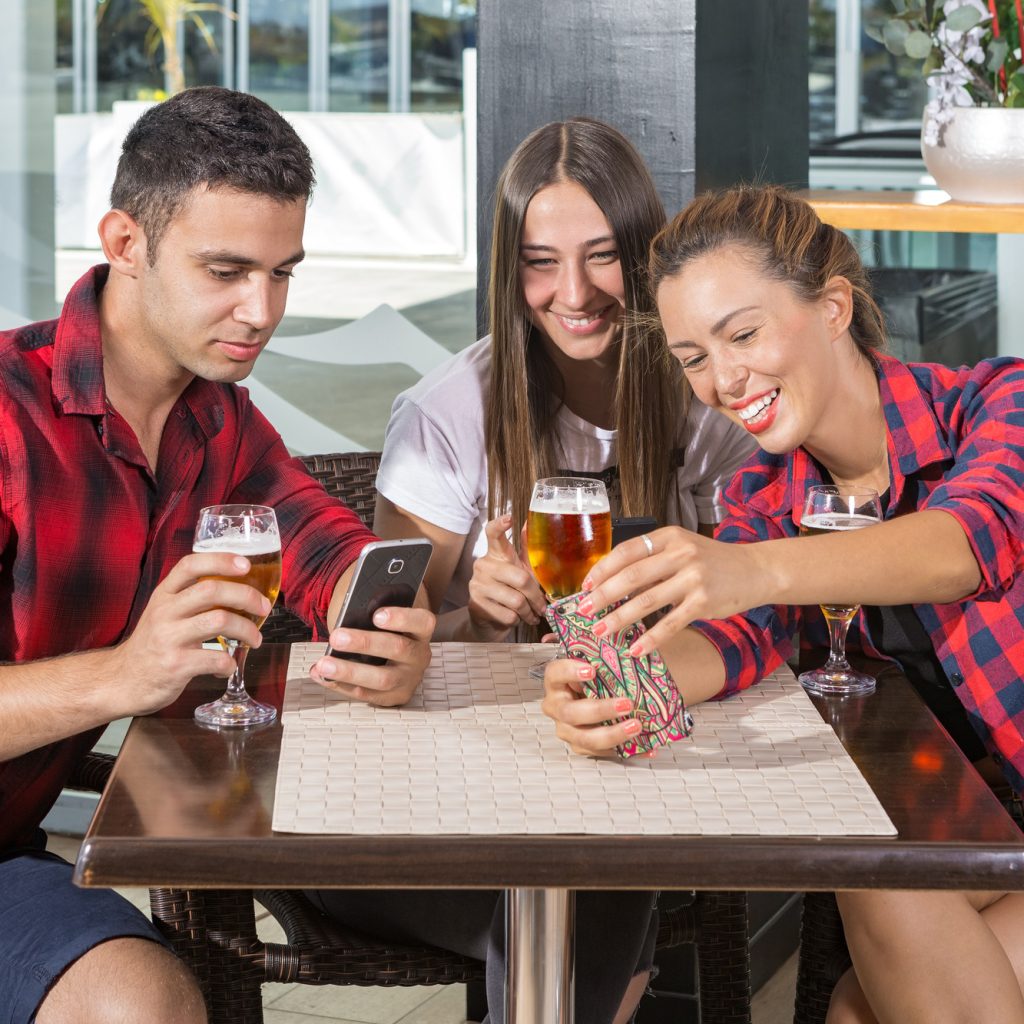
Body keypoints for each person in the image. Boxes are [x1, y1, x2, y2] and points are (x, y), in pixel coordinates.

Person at [0, 86, 435, 1024]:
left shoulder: (218, 419)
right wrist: (123, 675)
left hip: (6, 861)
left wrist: (384, 619)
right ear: (125, 243)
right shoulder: (4, 415)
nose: (263, 309)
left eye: (284, 272)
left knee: (145, 1004)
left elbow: (326, 544)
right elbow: (128, 677)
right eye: (228, 270)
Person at [542, 184, 1024, 1023]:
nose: (724, 379)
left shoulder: (997, 403)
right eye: (694, 357)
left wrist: (753, 569)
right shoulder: (764, 496)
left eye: (745, 333)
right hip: (984, 832)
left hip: (994, 832)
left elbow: (966, 546)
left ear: (834, 308)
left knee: (860, 997)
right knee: (869, 882)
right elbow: (733, 641)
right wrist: (618, 682)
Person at [373, 116, 755, 640]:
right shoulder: (442, 415)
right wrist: (480, 621)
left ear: (645, 253)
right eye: (541, 262)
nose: (575, 293)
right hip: (486, 710)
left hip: (653, 696)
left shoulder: (705, 392)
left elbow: (737, 617)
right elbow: (386, 646)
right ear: (511, 269)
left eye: (603, 255)